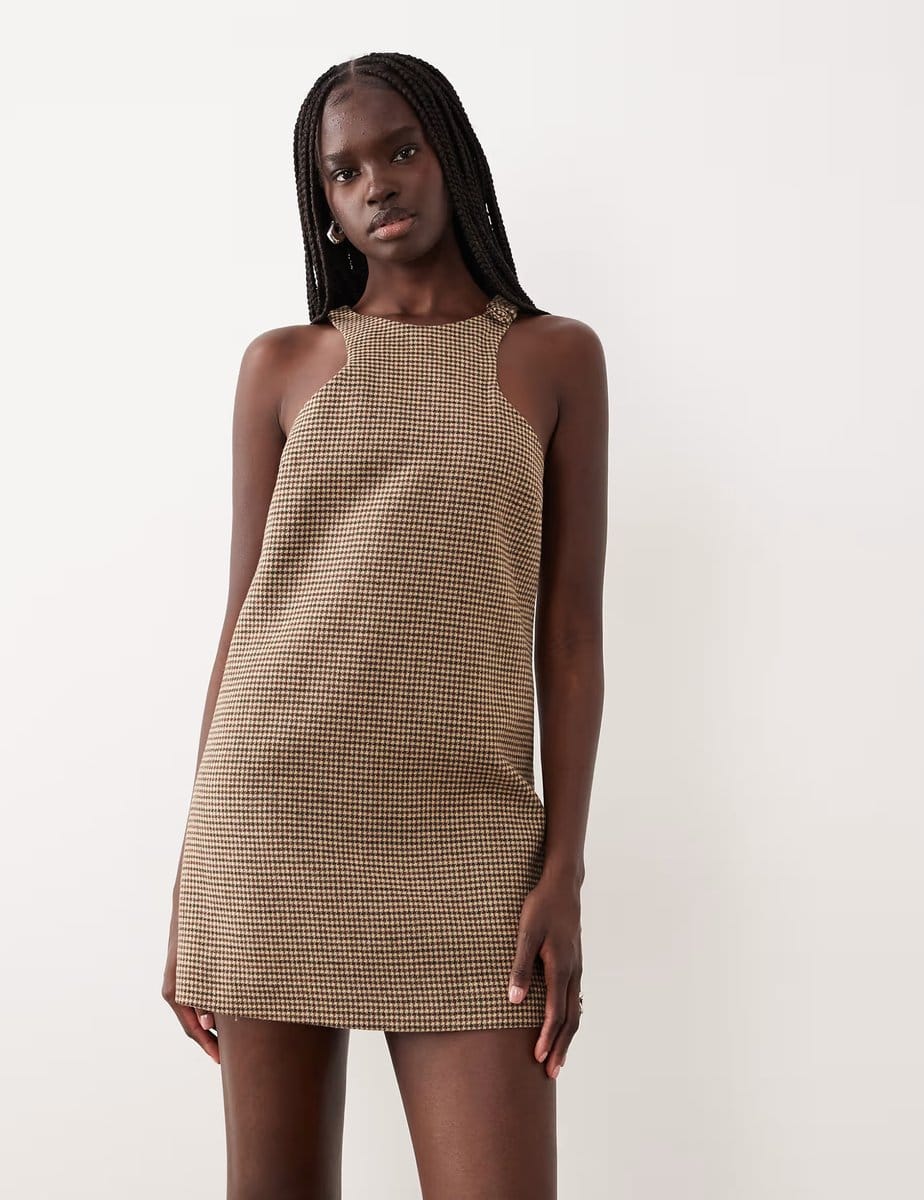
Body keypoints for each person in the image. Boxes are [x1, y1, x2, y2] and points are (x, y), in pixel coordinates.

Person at [162, 51, 607, 1199]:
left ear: (449, 156)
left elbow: (568, 636)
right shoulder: (282, 366)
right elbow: (245, 615)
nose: (377, 185)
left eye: (400, 150)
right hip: (273, 826)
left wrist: (562, 870)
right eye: (343, 171)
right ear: (323, 200)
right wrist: (194, 885)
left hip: (471, 841)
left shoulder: (555, 357)